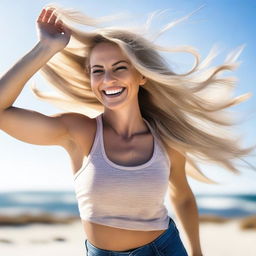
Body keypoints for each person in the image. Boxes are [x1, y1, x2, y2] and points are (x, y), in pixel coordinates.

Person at [0, 4, 255, 256]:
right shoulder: (79, 131)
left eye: (120, 67)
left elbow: (183, 197)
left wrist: (197, 252)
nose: (108, 79)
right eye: (97, 71)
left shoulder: (166, 140)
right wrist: (46, 47)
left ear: (141, 76)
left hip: (163, 250)